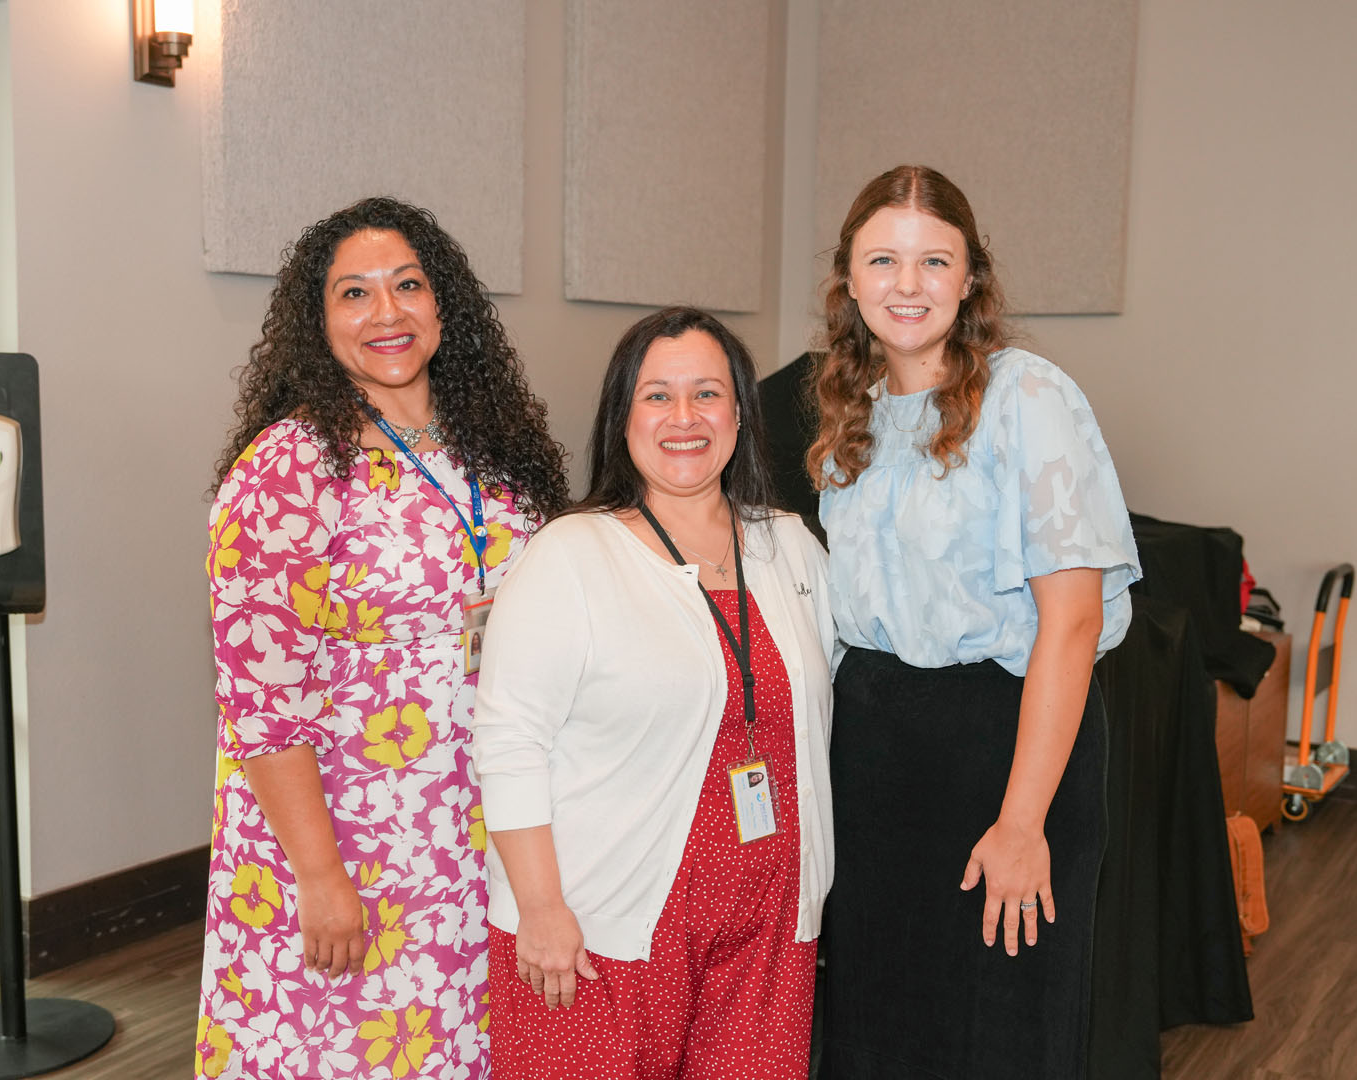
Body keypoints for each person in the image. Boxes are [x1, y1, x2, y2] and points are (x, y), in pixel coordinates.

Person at [195, 196, 569, 1080]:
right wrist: (320, 878)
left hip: (476, 821)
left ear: (446, 305)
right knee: (350, 1052)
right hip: (348, 836)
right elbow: (262, 704)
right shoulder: (289, 469)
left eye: (407, 285)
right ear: (317, 324)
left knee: (456, 1044)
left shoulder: (495, 451)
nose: (387, 313)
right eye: (353, 295)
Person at [810, 166, 1141, 1079]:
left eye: (932, 261)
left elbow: (1071, 624)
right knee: (880, 1021)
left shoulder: (1026, 397)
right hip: (877, 761)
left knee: (1001, 1030)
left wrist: (1024, 821)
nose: (906, 285)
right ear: (850, 279)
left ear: (970, 279)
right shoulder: (851, 411)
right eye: (883, 260)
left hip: (1006, 750)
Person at [471, 307, 836, 1079]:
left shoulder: (789, 545)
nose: (684, 418)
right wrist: (539, 910)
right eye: (657, 396)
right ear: (622, 418)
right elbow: (509, 739)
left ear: (741, 412)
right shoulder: (570, 555)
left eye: (707, 394)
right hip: (602, 926)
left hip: (767, 925)